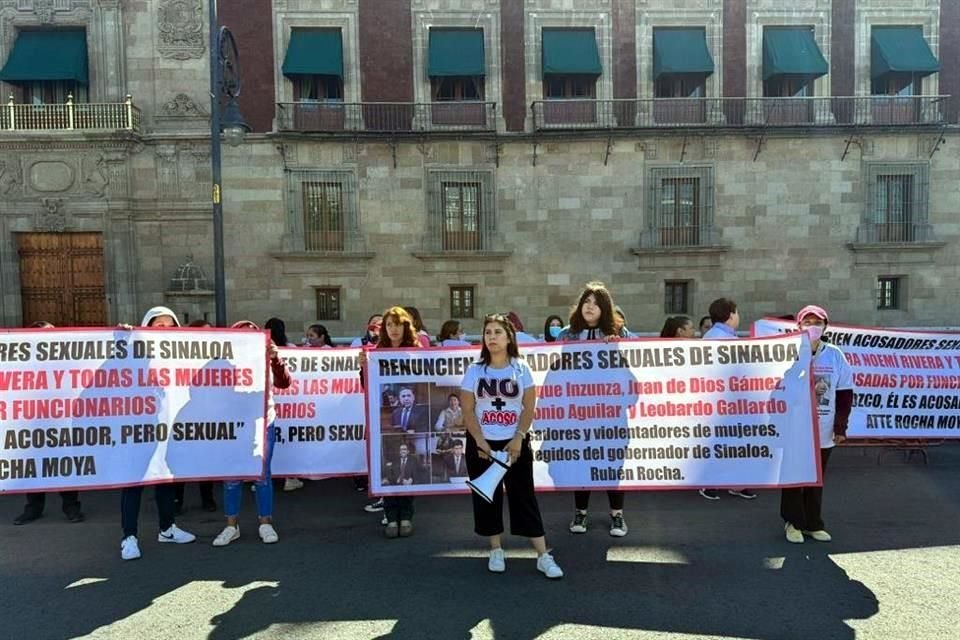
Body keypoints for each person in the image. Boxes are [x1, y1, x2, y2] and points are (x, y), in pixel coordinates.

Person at [461, 313, 563, 578]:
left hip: (514, 443)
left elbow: (529, 406)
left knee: (524, 497)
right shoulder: (474, 370)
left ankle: (543, 555)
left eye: (497, 332)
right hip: (482, 444)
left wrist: (519, 436)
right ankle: (496, 549)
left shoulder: (521, 368)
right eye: (488, 332)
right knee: (487, 498)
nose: (491, 337)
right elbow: (468, 410)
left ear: (509, 337)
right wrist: (480, 442)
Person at [119, 306, 196, 561]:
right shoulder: (132, 348)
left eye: (169, 325)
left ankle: (167, 529)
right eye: (158, 325)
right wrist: (125, 337)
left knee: (165, 479)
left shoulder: (179, 353)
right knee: (134, 483)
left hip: (166, 425)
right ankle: (129, 537)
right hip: (137, 427)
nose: (164, 330)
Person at [557, 282, 630, 537]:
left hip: (611, 414)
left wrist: (618, 347)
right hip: (580, 413)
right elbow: (555, 367)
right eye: (586, 301)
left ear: (605, 309)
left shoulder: (619, 333)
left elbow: (640, 361)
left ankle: (617, 516)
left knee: (613, 465)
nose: (590, 307)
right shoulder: (567, 334)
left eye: (596, 303)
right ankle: (580, 512)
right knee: (582, 463)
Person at [212, 320, 292, 547]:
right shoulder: (223, 363)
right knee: (231, 476)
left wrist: (276, 358)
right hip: (233, 425)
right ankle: (231, 526)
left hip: (262, 422)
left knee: (262, 474)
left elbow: (284, 383)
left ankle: (265, 522)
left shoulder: (267, 357)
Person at [782, 305, 853, 544]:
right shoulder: (788, 350)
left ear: (825, 326)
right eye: (808, 322)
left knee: (816, 478)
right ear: (799, 326)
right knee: (794, 476)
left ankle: (813, 523)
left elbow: (844, 393)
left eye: (818, 322)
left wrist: (840, 426)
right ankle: (793, 523)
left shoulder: (835, 355)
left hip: (824, 428)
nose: (813, 326)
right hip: (795, 427)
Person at [12, 321, 85, 525]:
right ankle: (33, 508)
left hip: (61, 423)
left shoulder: (68, 362)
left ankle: (71, 507)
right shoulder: (22, 363)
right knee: (33, 466)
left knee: (65, 465)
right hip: (33, 424)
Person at [361, 306, 422, 537]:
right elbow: (366, 386)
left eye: (397, 324)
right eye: (389, 325)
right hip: (384, 422)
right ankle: (390, 515)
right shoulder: (377, 352)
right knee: (387, 466)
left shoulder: (416, 352)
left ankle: (406, 516)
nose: (393, 329)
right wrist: (363, 367)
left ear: (406, 327)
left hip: (409, 424)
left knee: (406, 468)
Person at [700, 298, 756, 501]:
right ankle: (714, 483)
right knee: (724, 442)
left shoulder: (711, 337)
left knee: (731, 442)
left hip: (728, 401)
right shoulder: (720, 339)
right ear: (731, 315)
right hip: (723, 401)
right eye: (737, 312)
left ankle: (733, 483)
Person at [173, 319, 219, 513]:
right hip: (182, 415)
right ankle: (176, 500)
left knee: (206, 459)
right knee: (181, 460)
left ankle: (207, 499)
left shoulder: (216, 358)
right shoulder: (178, 357)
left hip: (207, 415)